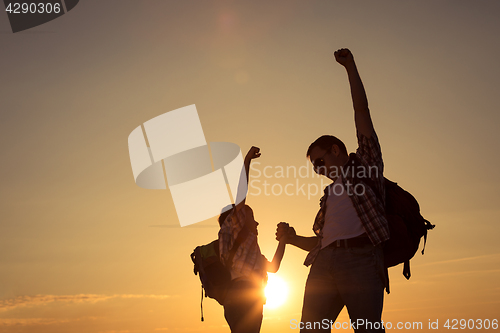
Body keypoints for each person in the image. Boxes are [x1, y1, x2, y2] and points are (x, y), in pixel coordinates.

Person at [276, 48, 389, 333]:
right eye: (314, 166)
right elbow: (322, 242)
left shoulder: (366, 167)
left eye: (320, 161)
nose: (318, 169)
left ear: (336, 150)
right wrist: (291, 239)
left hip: (361, 259)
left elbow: (361, 111)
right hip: (323, 263)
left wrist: (349, 67)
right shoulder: (328, 197)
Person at [219, 146, 288, 333]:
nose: (256, 222)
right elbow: (241, 193)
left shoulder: (251, 250)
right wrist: (247, 159)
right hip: (243, 294)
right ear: (239, 217)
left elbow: (273, 267)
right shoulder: (233, 225)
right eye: (251, 216)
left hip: (248, 296)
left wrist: (284, 240)